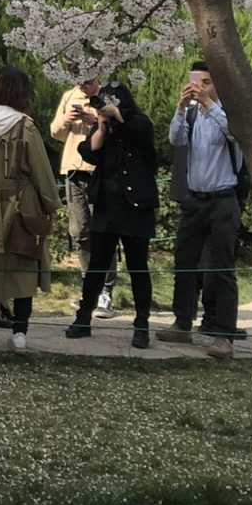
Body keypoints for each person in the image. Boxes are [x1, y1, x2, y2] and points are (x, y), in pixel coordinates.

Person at [0, 67, 60, 352]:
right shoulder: (24, 126)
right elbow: (41, 170)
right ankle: (20, 331)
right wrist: (50, 204)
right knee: (23, 262)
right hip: (18, 203)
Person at [159, 60, 243, 360]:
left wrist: (210, 103)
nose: (200, 88)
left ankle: (224, 335)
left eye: (206, 82)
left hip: (222, 199)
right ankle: (182, 322)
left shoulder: (228, 114)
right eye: (196, 82)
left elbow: (235, 135)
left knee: (221, 268)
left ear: (217, 84)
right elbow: (175, 139)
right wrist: (181, 108)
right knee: (184, 262)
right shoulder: (191, 114)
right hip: (194, 199)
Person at [63, 82, 157, 349]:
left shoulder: (140, 123)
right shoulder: (104, 127)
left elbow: (140, 135)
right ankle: (83, 319)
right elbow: (88, 152)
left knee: (138, 267)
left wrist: (118, 117)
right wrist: (102, 124)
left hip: (136, 207)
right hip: (107, 205)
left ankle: (142, 325)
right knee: (96, 266)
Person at [50, 70, 117, 318]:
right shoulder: (69, 96)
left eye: (88, 80)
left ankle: (105, 292)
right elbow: (55, 133)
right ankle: (89, 285)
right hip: (74, 169)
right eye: (79, 80)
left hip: (102, 171)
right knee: (80, 231)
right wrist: (67, 119)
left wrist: (94, 118)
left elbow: (122, 130)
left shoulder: (110, 96)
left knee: (104, 232)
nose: (83, 85)